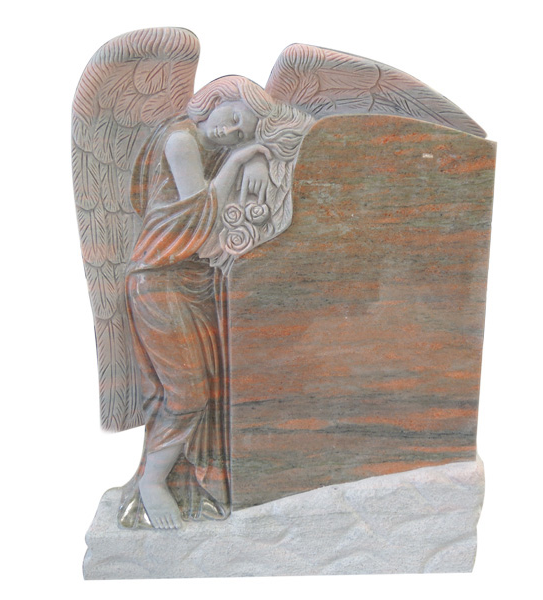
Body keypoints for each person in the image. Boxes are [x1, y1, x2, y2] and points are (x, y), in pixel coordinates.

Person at [117, 76, 313, 529]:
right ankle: (152, 482)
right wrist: (243, 157)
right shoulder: (181, 140)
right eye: (235, 117)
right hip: (158, 281)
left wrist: (254, 156)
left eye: (243, 133)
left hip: (192, 280)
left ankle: (183, 480)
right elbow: (201, 214)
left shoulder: (210, 149)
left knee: (204, 388)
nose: (232, 131)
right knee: (186, 392)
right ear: (218, 98)